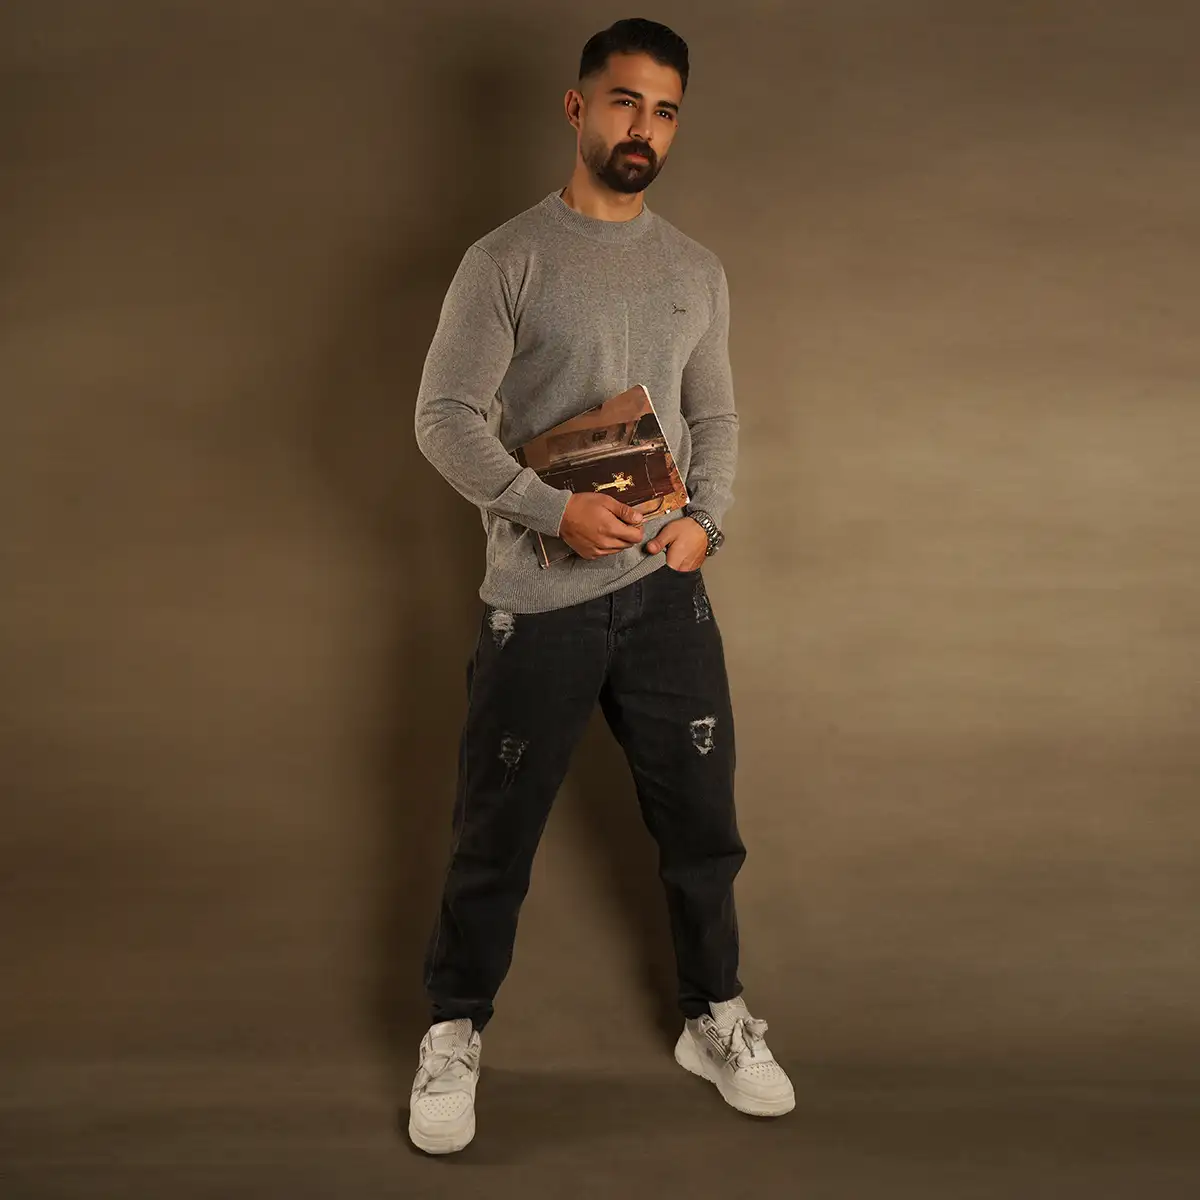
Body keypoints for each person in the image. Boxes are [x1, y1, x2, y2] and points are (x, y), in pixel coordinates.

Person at [408, 17, 793, 1155]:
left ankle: (714, 1016)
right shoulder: (506, 260)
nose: (645, 128)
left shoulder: (696, 270)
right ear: (578, 109)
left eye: (665, 111)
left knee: (703, 829)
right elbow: (441, 418)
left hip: (667, 599)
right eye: (625, 102)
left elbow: (716, 415)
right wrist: (550, 510)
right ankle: (453, 1030)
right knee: (494, 835)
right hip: (540, 605)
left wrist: (705, 525)